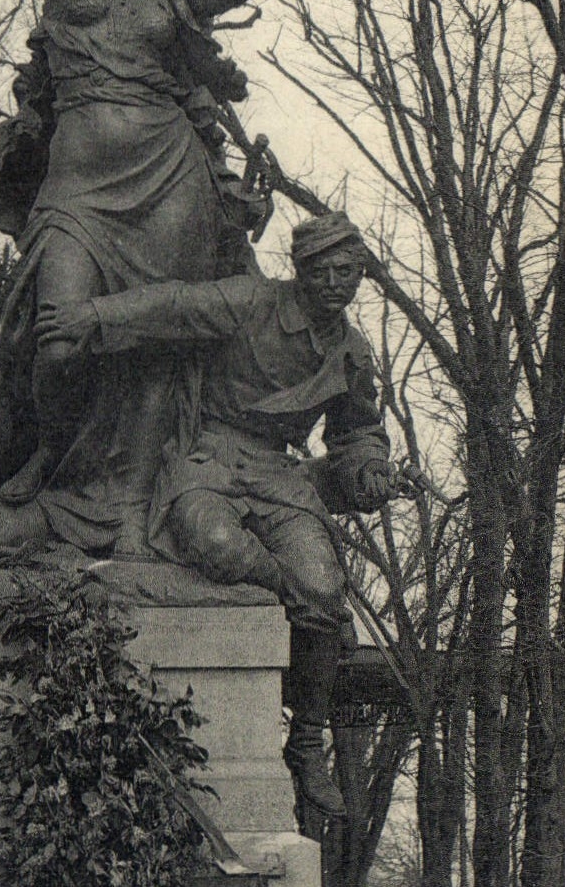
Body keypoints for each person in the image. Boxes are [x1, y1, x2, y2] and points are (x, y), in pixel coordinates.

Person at [0, 0, 339, 564]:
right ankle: (52, 451)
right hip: (76, 191)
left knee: (154, 356)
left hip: (169, 181)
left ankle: (130, 513)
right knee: (57, 335)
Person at [36, 209, 399, 832]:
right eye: (328, 270)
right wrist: (91, 317)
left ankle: (306, 739)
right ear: (303, 270)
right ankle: (311, 618)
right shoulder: (251, 302)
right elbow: (173, 307)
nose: (340, 282)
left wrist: (369, 470)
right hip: (209, 456)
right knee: (216, 545)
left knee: (323, 579)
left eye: (351, 271)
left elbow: (359, 431)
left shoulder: (351, 354)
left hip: (279, 477)